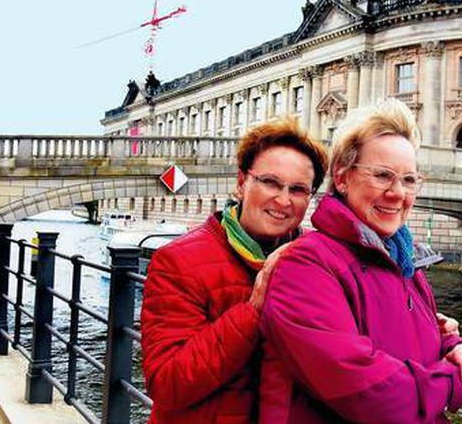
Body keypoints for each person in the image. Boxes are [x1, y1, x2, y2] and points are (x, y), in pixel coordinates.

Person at [258, 99, 462, 423]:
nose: (398, 194)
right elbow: (366, 395)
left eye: (408, 180)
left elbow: (419, 331)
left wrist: (458, 347)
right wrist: (454, 380)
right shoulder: (306, 265)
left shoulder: (402, 262)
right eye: (382, 176)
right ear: (343, 178)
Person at [139, 117, 328, 423]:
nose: (282, 200)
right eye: (270, 182)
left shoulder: (320, 260)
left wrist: (427, 329)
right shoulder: (176, 261)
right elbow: (167, 383)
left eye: (298, 189)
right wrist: (254, 310)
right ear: (242, 183)